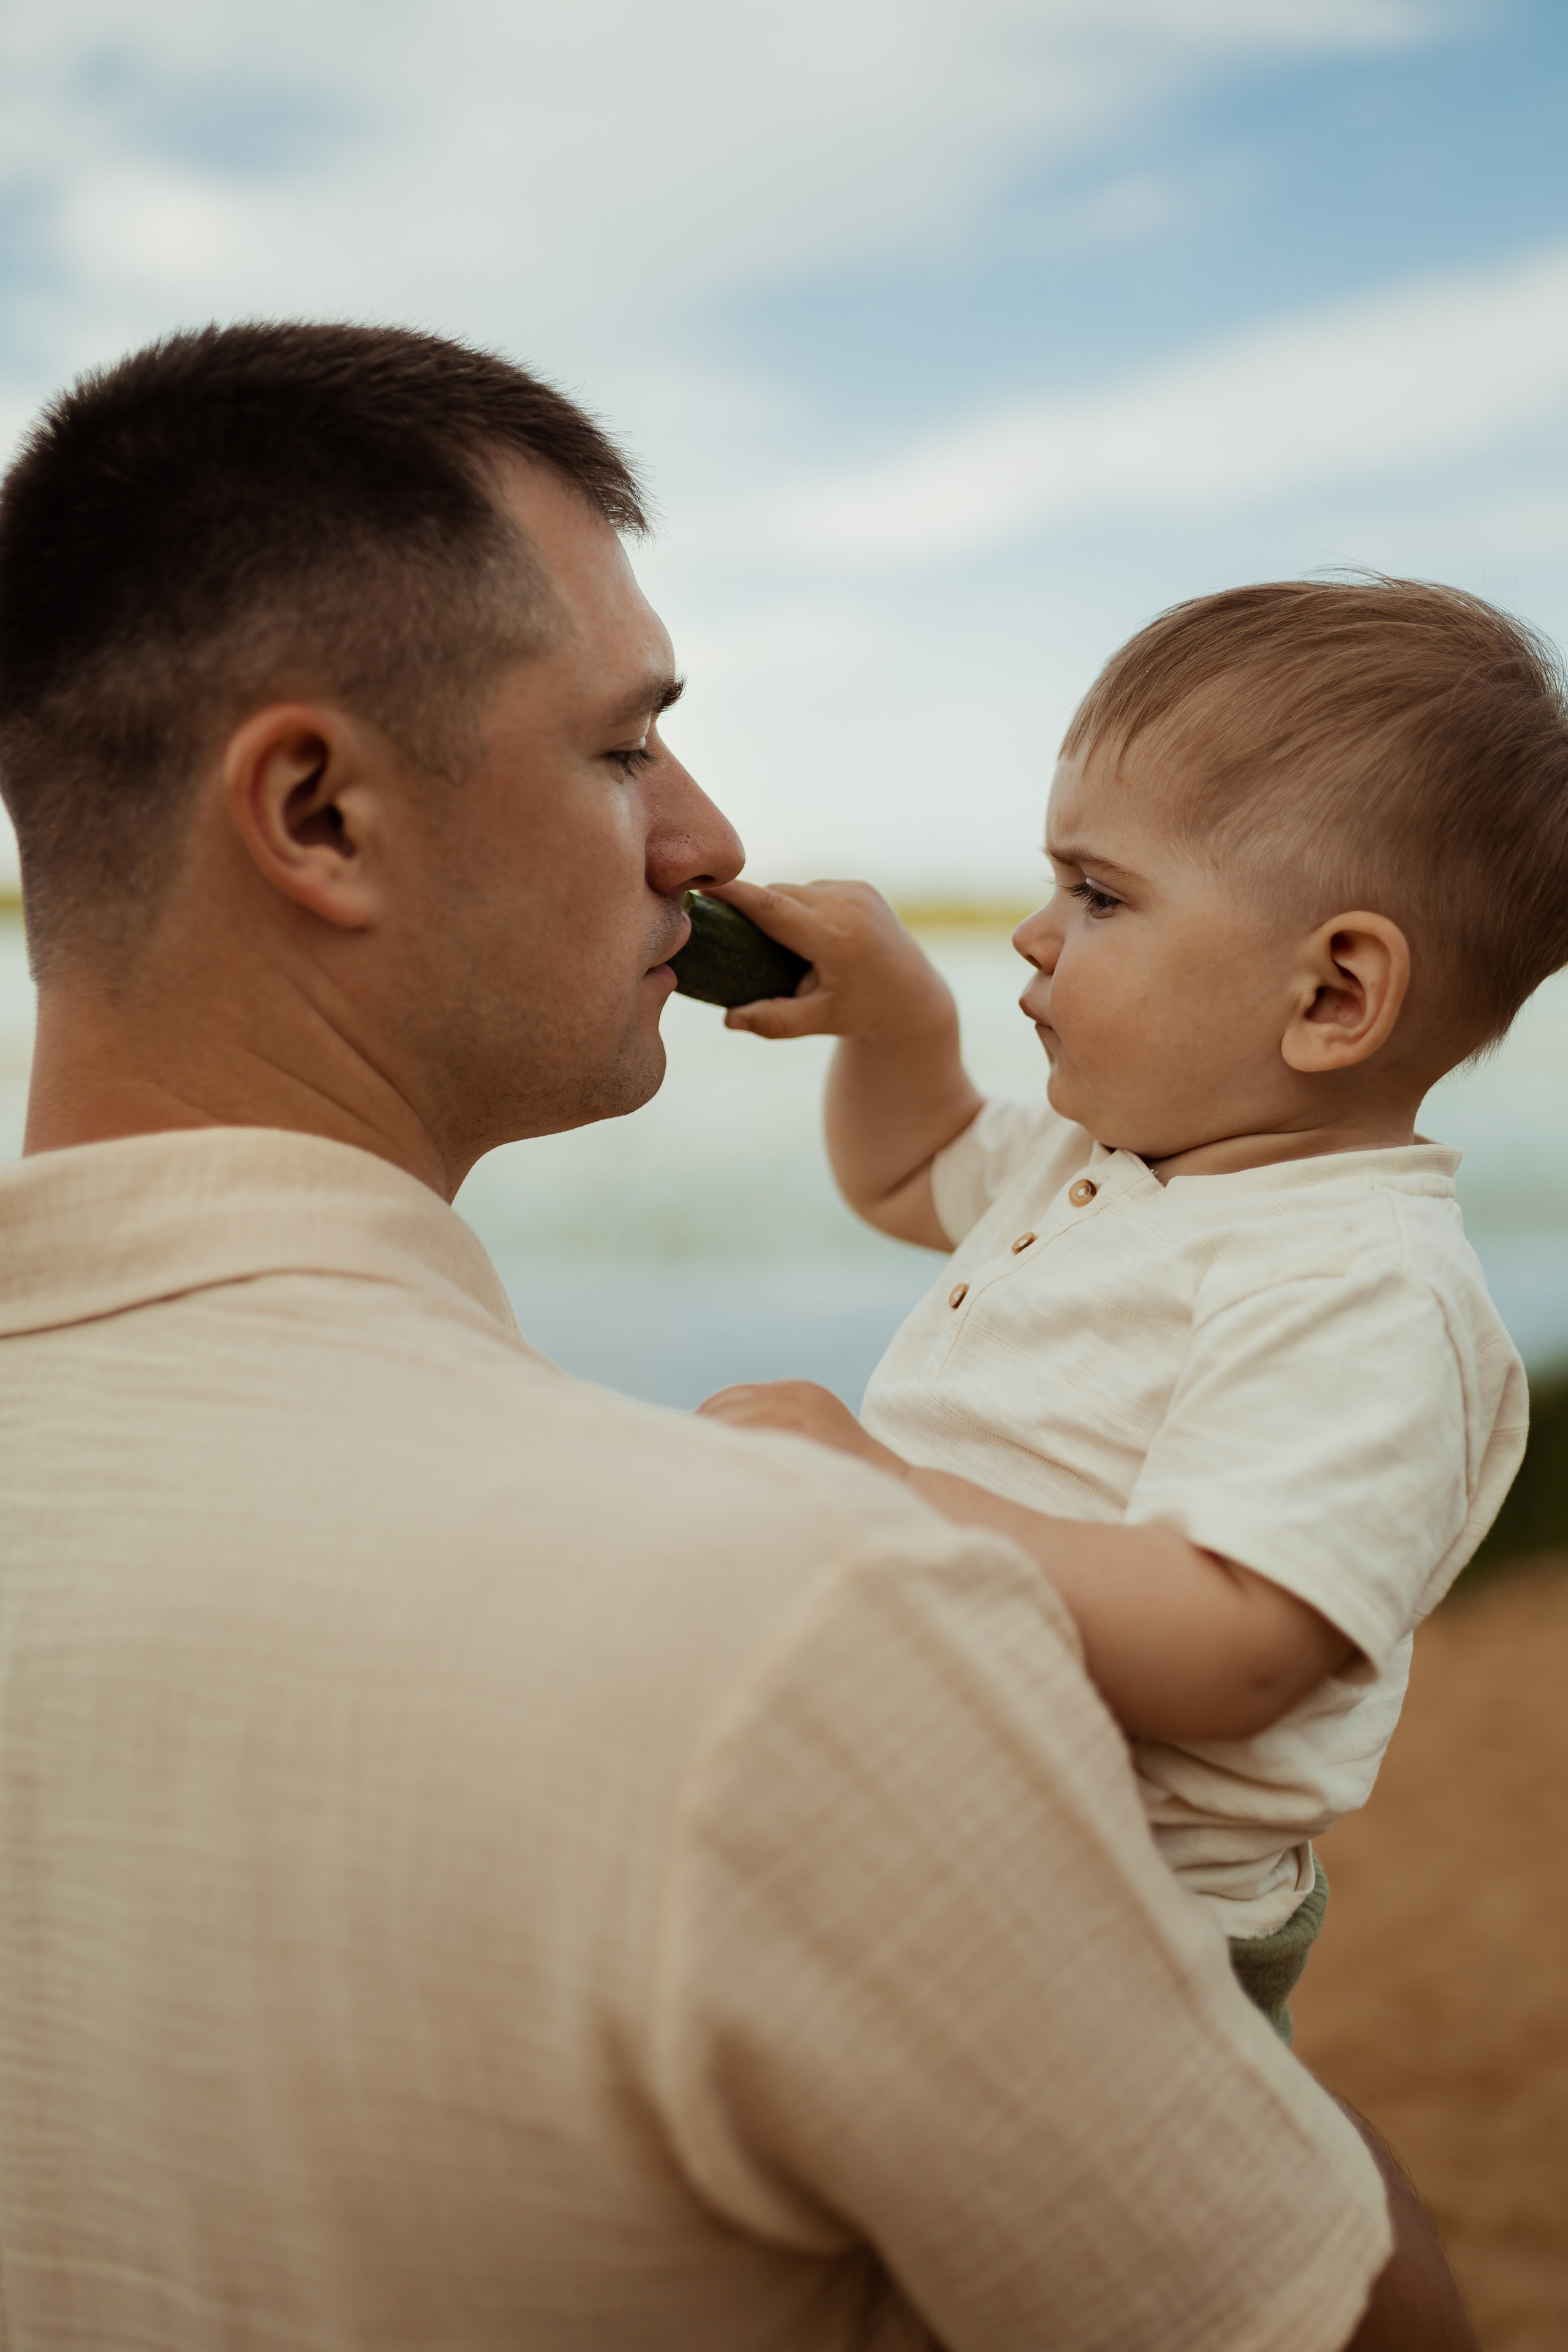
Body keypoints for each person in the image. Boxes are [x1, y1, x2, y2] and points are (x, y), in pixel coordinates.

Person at [0, 323, 1472, 2348]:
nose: (700, 842)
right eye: (621, 749)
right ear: (318, 813)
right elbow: (1344, 2320)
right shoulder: (799, 1612)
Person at [698, 576, 1565, 2036]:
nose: (1037, 937)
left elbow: (1229, 1646)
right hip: (980, 1853)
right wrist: (900, 1014)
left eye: (1096, 894)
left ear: (1333, 994)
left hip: (1112, 1928)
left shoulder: (1352, 1290)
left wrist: (877, 1490)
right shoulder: (1101, 1157)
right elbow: (908, 1173)